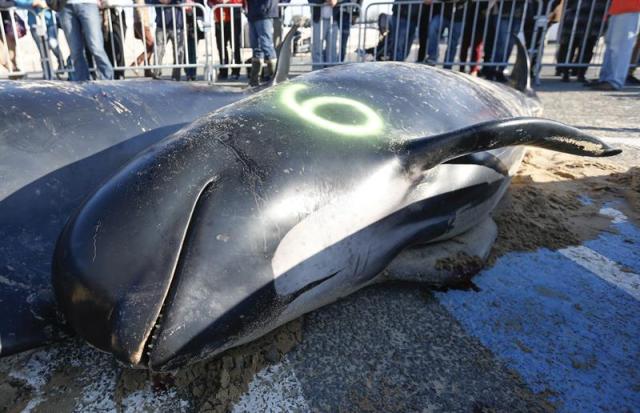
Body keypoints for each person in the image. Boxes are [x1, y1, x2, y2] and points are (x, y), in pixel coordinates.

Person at [587, 0, 640, 90]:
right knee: (611, 46)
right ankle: (605, 78)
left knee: (621, 47)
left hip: (631, 8)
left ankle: (615, 81)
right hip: (618, 9)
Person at [58, 0, 114, 80]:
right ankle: (83, 83)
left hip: (88, 4)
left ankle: (107, 80)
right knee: (75, 50)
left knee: (96, 47)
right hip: (65, 6)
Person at [555, 0, 608, 83]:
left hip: (592, 17)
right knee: (570, 45)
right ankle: (565, 71)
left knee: (586, 46)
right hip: (578, 16)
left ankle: (578, 72)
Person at [14, 0, 67, 79]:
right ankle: (47, 72)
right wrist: (33, 3)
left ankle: (61, 63)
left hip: (50, 22)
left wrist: (48, 3)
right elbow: (18, 2)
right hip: (35, 23)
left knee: (52, 43)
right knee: (42, 49)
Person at [149, 0, 185, 81]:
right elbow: (147, 1)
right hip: (161, 25)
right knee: (159, 50)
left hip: (178, 24)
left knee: (179, 51)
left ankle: (176, 75)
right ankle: (156, 73)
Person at [245, 0, 278, 86]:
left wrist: (266, 8)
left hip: (263, 12)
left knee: (266, 45)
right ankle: (254, 80)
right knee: (256, 47)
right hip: (254, 12)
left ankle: (275, 78)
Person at [426, 0, 465, 68]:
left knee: (453, 42)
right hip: (444, 14)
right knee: (433, 27)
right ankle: (432, 57)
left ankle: (448, 65)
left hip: (459, 17)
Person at [210, 0, 243, 80]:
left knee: (235, 45)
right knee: (221, 45)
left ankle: (236, 71)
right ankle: (223, 70)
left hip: (234, 17)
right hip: (219, 17)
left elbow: (241, 1)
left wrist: (228, 1)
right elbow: (209, 2)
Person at [308, 0, 340, 69]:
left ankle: (331, 74)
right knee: (317, 49)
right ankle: (317, 73)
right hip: (318, 20)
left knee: (332, 49)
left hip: (333, 20)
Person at [0, 7, 27, 78]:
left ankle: (15, 73)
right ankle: (14, 71)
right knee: (2, 59)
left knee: (12, 55)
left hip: (6, 22)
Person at [131, 0, 155, 77]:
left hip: (142, 22)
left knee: (148, 47)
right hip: (142, 22)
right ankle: (136, 64)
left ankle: (147, 71)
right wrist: (143, 22)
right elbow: (138, 7)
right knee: (151, 45)